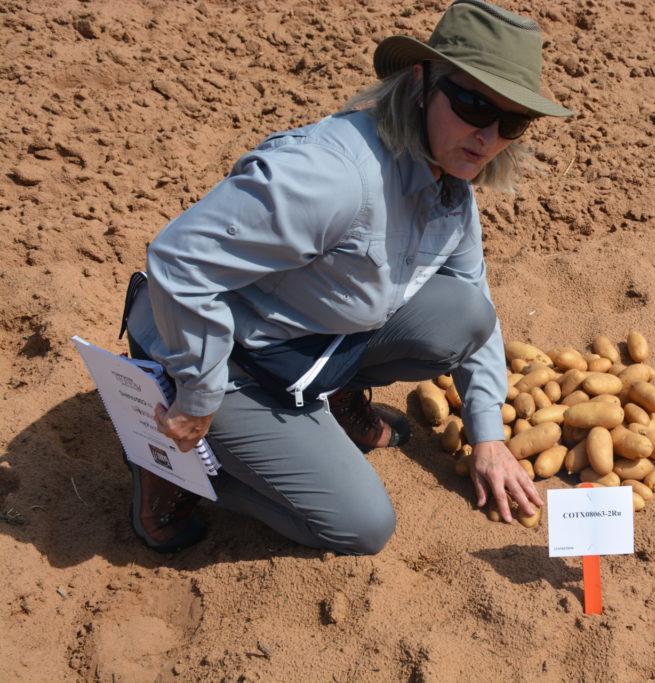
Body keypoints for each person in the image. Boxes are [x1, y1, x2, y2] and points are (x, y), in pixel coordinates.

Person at [121, 0, 573, 553]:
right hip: (224, 355)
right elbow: (178, 261)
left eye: (512, 121)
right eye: (473, 103)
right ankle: (175, 467)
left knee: (464, 317)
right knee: (360, 526)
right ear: (420, 82)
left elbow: (473, 297)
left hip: (306, 341)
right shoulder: (333, 177)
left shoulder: (450, 183)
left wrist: (487, 436)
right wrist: (198, 394)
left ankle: (334, 399)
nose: (488, 134)